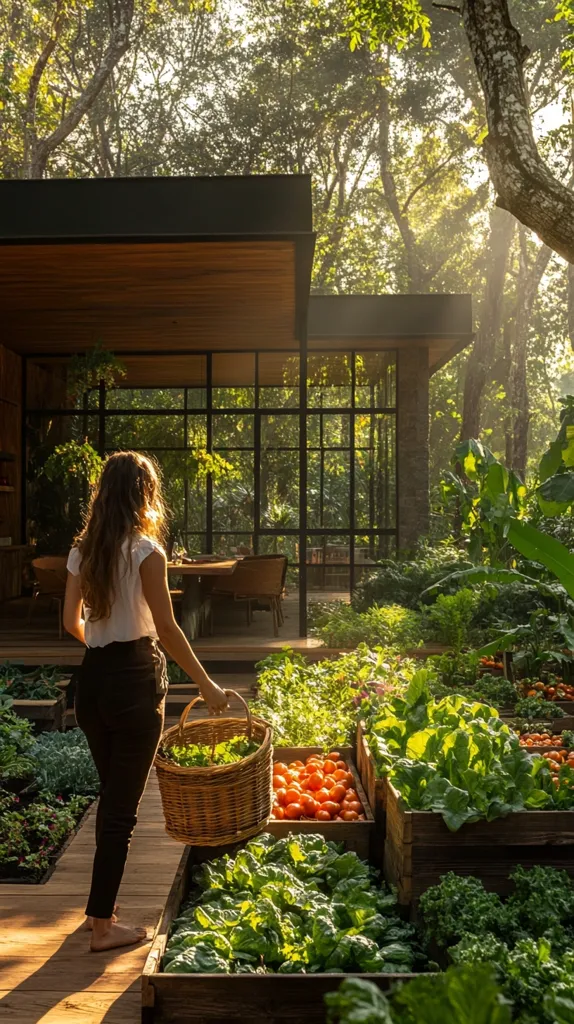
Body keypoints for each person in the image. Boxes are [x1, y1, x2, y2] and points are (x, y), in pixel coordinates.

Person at [63, 450, 228, 953]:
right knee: (120, 810)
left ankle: (99, 908)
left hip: (91, 684)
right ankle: (101, 924)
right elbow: (169, 630)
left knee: (112, 798)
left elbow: (69, 622)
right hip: (135, 681)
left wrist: (100, 638)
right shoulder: (145, 552)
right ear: (145, 495)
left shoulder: (82, 552)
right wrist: (206, 686)